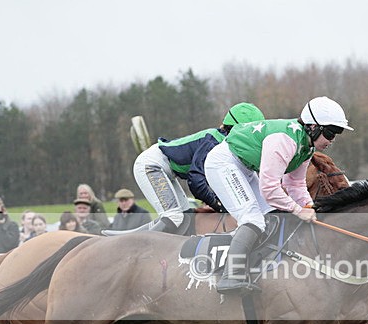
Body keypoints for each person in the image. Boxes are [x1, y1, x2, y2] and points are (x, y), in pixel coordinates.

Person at [205, 96, 353, 294]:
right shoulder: (286, 140)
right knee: (253, 218)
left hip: (244, 168)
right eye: (330, 132)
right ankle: (230, 275)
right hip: (223, 164)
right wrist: (297, 210)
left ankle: (262, 264)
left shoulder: (306, 147)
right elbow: (269, 188)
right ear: (312, 126)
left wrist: (310, 208)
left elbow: (295, 184)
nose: (332, 140)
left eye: (337, 133)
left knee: (273, 213)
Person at [121, 102, 265, 234]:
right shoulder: (214, 142)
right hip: (152, 166)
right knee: (174, 217)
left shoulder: (225, 144)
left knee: (185, 219)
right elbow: (196, 181)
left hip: (166, 170)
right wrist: (218, 206)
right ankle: (134, 244)